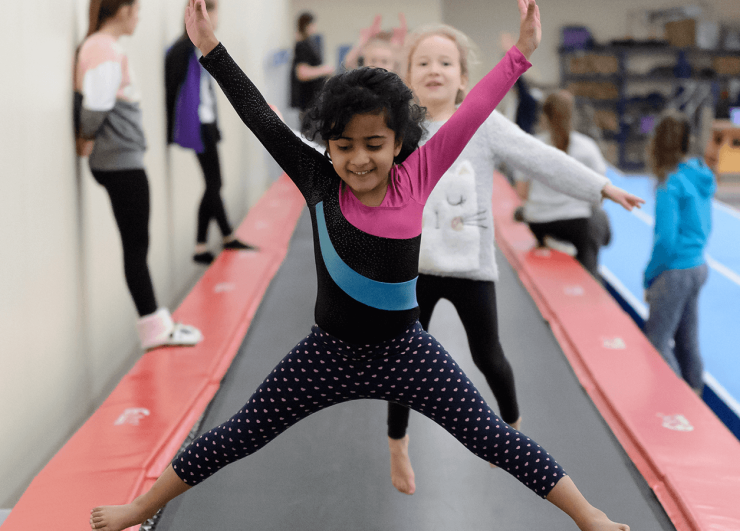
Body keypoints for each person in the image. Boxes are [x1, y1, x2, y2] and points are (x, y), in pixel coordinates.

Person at [89, 2, 630, 530]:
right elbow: (259, 116)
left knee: (491, 434)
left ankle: (590, 517)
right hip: (328, 352)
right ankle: (140, 508)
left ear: (400, 142)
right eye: (343, 146)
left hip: (406, 351)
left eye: (375, 144)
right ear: (327, 144)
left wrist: (520, 54)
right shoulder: (318, 179)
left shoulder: (417, 176)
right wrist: (209, 49)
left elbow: (474, 110)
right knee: (240, 432)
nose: (359, 159)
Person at [386, 25, 643, 495]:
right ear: (406, 76)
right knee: (402, 362)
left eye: (446, 63)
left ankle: (512, 429)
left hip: (471, 267)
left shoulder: (481, 123)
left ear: (465, 79)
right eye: (422, 63)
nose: (434, 71)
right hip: (412, 267)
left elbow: (539, 157)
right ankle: (398, 443)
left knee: (490, 357)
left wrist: (599, 187)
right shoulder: (398, 128)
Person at [75, 0, 202, 350]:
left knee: (137, 245)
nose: (139, 18)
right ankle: (154, 327)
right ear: (122, 11)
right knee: (136, 246)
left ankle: (157, 322)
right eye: (137, 11)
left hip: (121, 160)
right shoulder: (102, 47)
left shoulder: (104, 47)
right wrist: (85, 138)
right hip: (120, 162)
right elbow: (97, 104)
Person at [165, 0, 256, 265]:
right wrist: (173, 131)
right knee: (214, 184)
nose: (216, 18)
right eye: (211, 11)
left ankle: (205, 244)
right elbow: (173, 92)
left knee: (213, 184)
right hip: (197, 125)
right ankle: (220, 239)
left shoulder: (197, 49)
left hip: (207, 123)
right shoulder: (182, 50)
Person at [643, 110, 715, 396]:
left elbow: (665, 241)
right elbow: (705, 225)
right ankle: (694, 392)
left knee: (657, 341)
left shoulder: (670, 183)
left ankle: (677, 403)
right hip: (698, 266)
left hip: (675, 270)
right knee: (687, 340)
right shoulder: (699, 175)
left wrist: (650, 277)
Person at [515, 90, 612, 277]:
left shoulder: (531, 147)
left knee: (592, 220)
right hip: (576, 226)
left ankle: (551, 241)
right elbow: (601, 193)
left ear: (544, 117)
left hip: (538, 224)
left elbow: (522, 193)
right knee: (597, 219)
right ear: (572, 116)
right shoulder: (586, 147)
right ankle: (590, 274)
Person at [290, 11, 334, 124]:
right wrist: (324, 70)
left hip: (314, 101)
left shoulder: (308, 43)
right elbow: (302, 73)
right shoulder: (302, 45)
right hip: (308, 102)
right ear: (307, 25)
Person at [342, 14, 407, 73]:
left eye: (384, 61)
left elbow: (403, 65)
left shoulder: (398, 82)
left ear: (395, 66)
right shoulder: (361, 79)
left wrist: (400, 46)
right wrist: (361, 43)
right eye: (373, 61)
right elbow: (349, 63)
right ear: (364, 62)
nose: (378, 66)